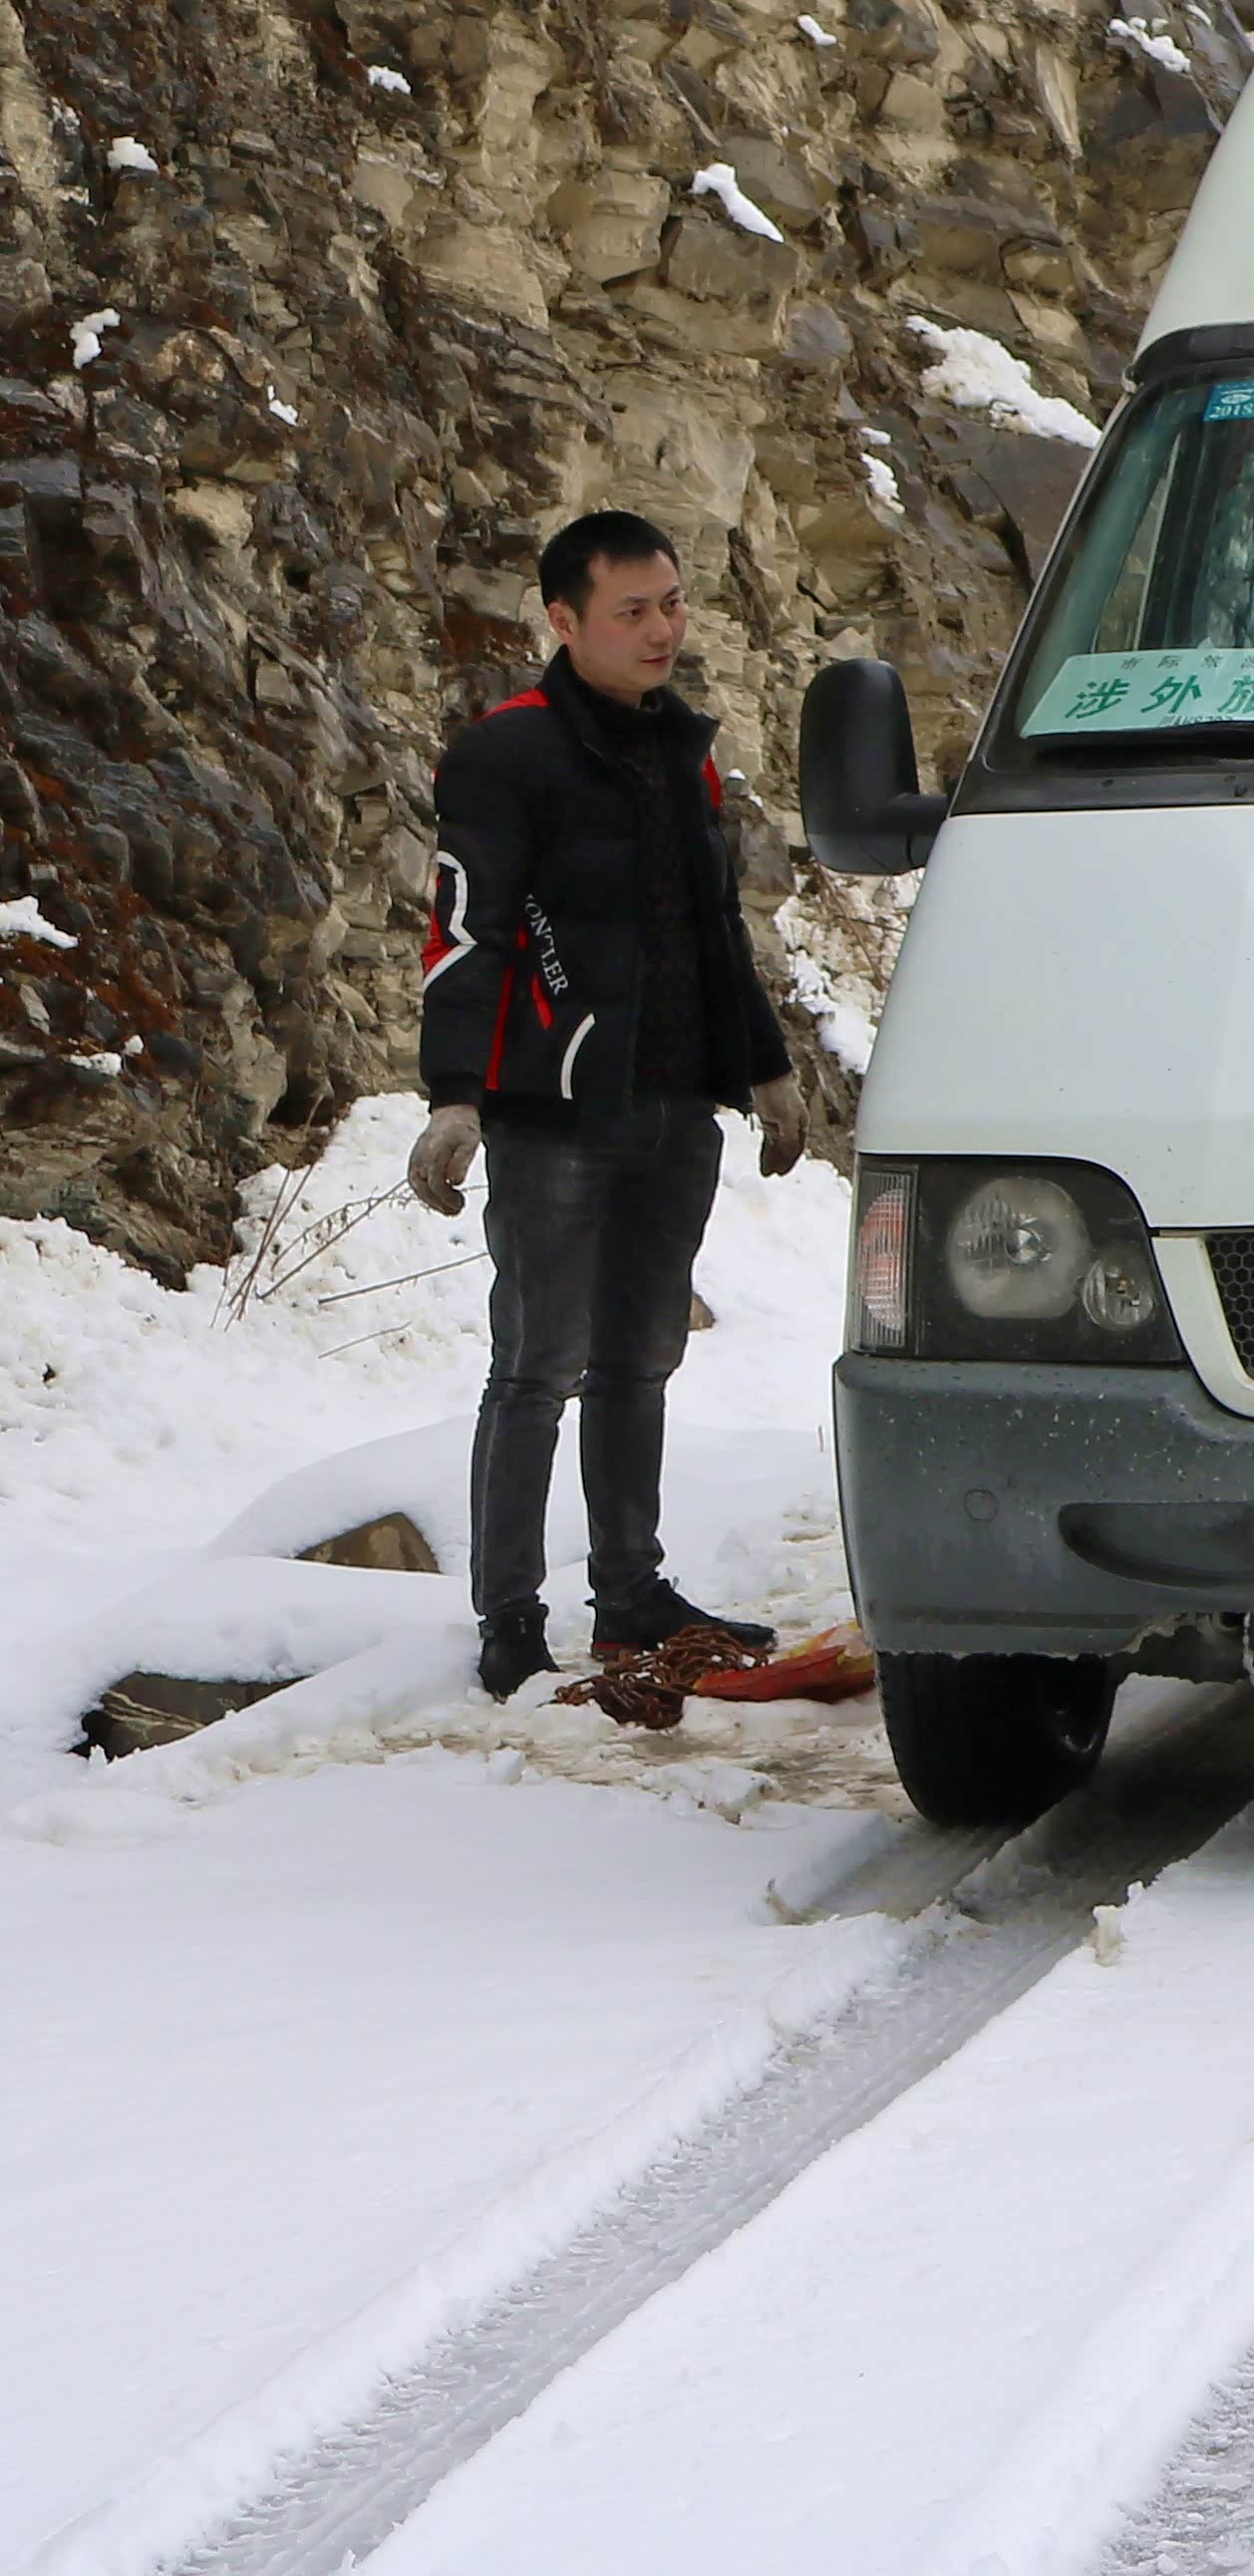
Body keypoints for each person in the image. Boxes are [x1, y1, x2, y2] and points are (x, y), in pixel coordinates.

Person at [408, 511, 808, 1696]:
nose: (661, 629)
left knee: (639, 1362)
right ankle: (509, 1616)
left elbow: (716, 928)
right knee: (536, 1364)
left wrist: (766, 1067)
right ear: (564, 619)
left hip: (675, 1103)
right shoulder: (506, 753)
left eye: (672, 603)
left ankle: (629, 1592)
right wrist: (456, 1097)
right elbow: (467, 931)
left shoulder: (683, 749)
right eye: (632, 610)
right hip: (554, 1108)